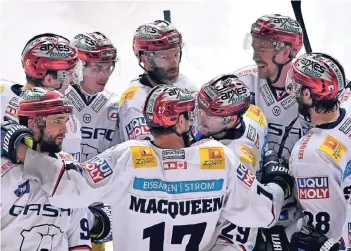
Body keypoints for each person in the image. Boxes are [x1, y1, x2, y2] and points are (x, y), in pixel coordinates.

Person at [4, 85, 295, 251]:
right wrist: (278, 184)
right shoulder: (219, 159)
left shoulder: (129, 157)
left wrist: (21, 149)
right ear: (181, 122)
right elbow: (265, 212)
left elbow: (65, 189)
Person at [0, 88, 92, 251]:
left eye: (65, 120)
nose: (65, 129)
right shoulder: (4, 170)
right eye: (58, 121)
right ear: (34, 124)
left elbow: (79, 239)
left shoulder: (70, 167)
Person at [193, 74, 268, 250]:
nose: (200, 118)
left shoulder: (230, 158)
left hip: (227, 234)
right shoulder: (255, 113)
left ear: (232, 119)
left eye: (209, 115)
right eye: (200, 108)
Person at [285, 52, 350, 251]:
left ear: (307, 95)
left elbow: (325, 232)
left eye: (296, 86)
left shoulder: (308, 154)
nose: (293, 92)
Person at [1, 33, 83, 161]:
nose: (72, 79)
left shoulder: (2, 92)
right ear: (49, 79)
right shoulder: (68, 122)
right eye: (69, 73)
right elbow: (69, 176)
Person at [118, 19, 198, 142]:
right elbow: (145, 153)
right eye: (165, 57)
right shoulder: (134, 100)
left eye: (176, 54)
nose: (174, 63)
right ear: (146, 60)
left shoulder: (185, 84)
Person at [66, 31, 121, 162]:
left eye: (109, 67)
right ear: (77, 67)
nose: (105, 75)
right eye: (97, 68)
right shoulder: (56, 99)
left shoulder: (117, 104)